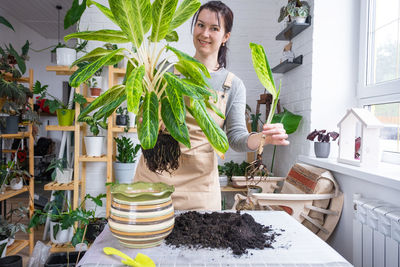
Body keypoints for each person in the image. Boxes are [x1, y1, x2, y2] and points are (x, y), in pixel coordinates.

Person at [134, 1, 289, 211]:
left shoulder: (232, 85)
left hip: (199, 189)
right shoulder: (167, 71)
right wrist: (145, 123)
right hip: (154, 179)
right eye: (200, 25)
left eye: (214, 28)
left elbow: (235, 138)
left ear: (226, 36)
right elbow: (146, 118)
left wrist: (262, 138)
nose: (205, 33)